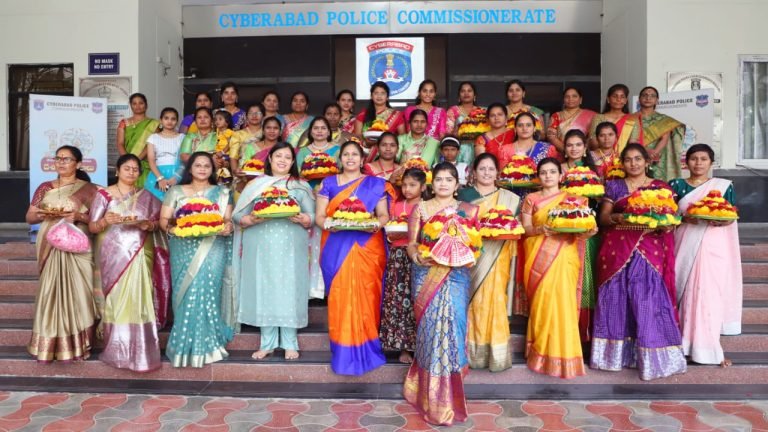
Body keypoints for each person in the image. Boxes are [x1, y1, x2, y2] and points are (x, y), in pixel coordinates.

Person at [591, 143, 687, 381]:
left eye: (638, 159)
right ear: (622, 163)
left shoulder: (661, 188)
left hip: (649, 247)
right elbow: (603, 218)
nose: (633, 163)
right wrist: (619, 217)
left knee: (647, 298)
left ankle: (654, 357)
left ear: (647, 161)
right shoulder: (613, 185)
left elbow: (671, 219)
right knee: (616, 298)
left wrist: (663, 224)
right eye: (628, 160)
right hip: (617, 247)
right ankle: (613, 357)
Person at [404, 162, 479, 426]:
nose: (444, 184)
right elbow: (411, 243)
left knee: (453, 327)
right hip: (426, 274)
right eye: (439, 179)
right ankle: (429, 395)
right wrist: (416, 255)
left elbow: (475, 242)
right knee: (430, 330)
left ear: (457, 184)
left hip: (456, 276)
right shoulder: (421, 208)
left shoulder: (469, 210)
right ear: (431, 183)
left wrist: (465, 254)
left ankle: (450, 395)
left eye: (449, 179)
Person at [316, 141, 393, 375]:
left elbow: (383, 216)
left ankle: (368, 349)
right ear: (340, 159)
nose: (350, 158)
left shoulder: (376, 184)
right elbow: (320, 217)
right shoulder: (328, 183)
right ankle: (343, 353)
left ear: (362, 160)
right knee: (340, 297)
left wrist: (374, 226)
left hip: (368, 245)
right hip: (335, 245)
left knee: (367, 297)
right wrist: (332, 225)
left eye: (354, 155)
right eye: (346, 154)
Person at [88, 154, 171, 372]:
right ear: (117, 171)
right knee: (116, 300)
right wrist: (106, 220)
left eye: (136, 169)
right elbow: (93, 227)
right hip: (112, 253)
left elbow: (159, 223)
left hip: (140, 251)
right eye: (127, 168)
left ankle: (141, 351)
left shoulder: (147, 196)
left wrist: (148, 226)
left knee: (139, 297)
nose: (132, 172)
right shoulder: (104, 195)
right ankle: (117, 350)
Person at [233, 142, 315, 360]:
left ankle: (290, 342)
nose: (282, 160)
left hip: (291, 246)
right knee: (265, 289)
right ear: (269, 159)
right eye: (278, 156)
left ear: (292, 162)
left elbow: (313, 217)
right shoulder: (255, 185)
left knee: (289, 290)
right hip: (261, 247)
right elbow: (237, 215)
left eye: (287, 157)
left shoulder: (300, 185)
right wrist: (248, 218)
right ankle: (267, 343)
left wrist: (305, 219)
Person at [159, 152, 235, 367]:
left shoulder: (222, 192)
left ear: (212, 170)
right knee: (186, 291)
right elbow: (164, 221)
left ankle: (208, 345)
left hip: (213, 247)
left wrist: (227, 227)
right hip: (183, 246)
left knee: (209, 289)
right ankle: (184, 346)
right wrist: (176, 228)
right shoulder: (175, 191)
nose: (202, 169)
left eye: (206, 166)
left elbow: (227, 220)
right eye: (197, 165)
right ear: (189, 169)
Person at [670, 143, 742, 367]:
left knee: (707, 294)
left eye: (703, 159)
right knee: (686, 292)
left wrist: (720, 220)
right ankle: (680, 344)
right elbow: (667, 216)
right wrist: (684, 219)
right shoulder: (676, 185)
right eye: (693, 158)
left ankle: (708, 348)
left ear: (711, 162)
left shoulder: (723, 186)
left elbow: (731, 216)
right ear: (686, 162)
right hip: (684, 242)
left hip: (713, 244)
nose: (698, 163)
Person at [25, 145, 99, 362]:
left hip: (78, 245)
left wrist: (78, 216)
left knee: (79, 292)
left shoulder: (90, 189)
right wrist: (43, 214)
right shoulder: (45, 187)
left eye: (66, 159)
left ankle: (80, 345)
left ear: (77, 164)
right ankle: (49, 346)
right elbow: (29, 217)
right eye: (58, 159)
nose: (61, 163)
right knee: (51, 292)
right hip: (50, 243)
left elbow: (97, 222)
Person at [521, 157, 592, 378]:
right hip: (538, 255)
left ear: (560, 175)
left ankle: (565, 355)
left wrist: (588, 232)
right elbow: (526, 228)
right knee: (542, 303)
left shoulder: (576, 200)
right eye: (544, 172)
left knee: (564, 303)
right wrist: (542, 229)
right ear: (538, 176)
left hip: (565, 255)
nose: (548, 176)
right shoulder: (530, 199)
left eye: (552, 172)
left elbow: (584, 227)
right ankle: (540, 352)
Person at [458, 153, 519, 372]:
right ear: (474, 172)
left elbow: (515, 227)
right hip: (471, 255)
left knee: (495, 299)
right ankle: (470, 353)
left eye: (490, 169)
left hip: (498, 255)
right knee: (473, 302)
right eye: (482, 168)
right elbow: (459, 226)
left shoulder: (510, 199)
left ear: (497, 172)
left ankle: (495, 354)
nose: (486, 173)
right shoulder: (464, 194)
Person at [380, 168, 427, 364]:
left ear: (423, 187)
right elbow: (388, 231)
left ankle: (421, 346)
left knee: (417, 300)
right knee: (399, 302)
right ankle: (402, 347)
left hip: (419, 257)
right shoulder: (396, 205)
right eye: (405, 185)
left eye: (413, 185)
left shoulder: (427, 207)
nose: (407, 189)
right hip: (398, 257)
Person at [561, 130, 601, 341]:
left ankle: (584, 332)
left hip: (586, 231)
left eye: (578, 145)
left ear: (585, 148)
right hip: (561, 232)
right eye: (569, 145)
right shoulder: (556, 171)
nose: (574, 148)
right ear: (564, 148)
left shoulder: (592, 173)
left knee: (585, 277)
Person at [635, 86, 685, 180]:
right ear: (639, 99)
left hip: (657, 157)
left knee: (658, 186)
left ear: (657, 100)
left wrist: (654, 153)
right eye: (645, 95)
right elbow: (630, 139)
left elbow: (664, 139)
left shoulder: (663, 119)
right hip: (636, 154)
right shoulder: (631, 118)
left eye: (652, 96)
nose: (648, 98)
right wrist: (644, 151)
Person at [508, 112, 559, 199]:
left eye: (528, 125)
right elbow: (502, 177)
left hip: (541, 198)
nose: (524, 128)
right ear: (515, 129)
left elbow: (554, 175)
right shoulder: (504, 150)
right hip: (512, 197)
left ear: (534, 128)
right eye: (520, 125)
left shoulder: (547, 149)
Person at [116, 93, 159, 188]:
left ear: (146, 105)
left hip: (145, 163)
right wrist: (127, 160)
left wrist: (137, 160)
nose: (138, 106)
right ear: (130, 105)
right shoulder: (124, 123)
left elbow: (151, 145)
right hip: (126, 163)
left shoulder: (154, 124)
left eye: (141, 103)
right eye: (134, 103)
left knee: (145, 193)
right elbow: (120, 143)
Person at [354, 81, 406, 154]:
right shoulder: (363, 114)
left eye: (382, 93)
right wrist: (367, 143)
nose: (379, 96)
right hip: (366, 155)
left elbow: (402, 138)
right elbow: (357, 136)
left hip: (389, 154)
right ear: (371, 96)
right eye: (376, 93)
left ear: (387, 97)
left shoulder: (396, 115)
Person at [146, 107, 184, 200]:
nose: (169, 121)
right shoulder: (153, 138)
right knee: (157, 204)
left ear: (177, 121)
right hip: (157, 174)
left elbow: (185, 160)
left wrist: (176, 177)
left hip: (177, 174)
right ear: (161, 120)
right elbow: (151, 160)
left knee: (176, 204)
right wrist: (160, 179)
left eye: (173, 119)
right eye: (166, 118)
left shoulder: (182, 137)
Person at [587, 84, 639, 151]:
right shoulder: (598, 118)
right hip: (601, 158)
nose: (618, 99)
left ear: (626, 100)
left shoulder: (632, 119)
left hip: (623, 158)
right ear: (608, 99)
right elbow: (593, 141)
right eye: (615, 96)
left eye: (622, 97)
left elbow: (633, 143)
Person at [547, 87, 597, 153]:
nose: (570, 99)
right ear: (563, 100)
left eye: (574, 96)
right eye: (567, 97)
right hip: (561, 153)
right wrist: (567, 151)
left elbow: (594, 138)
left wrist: (580, 152)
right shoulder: (556, 116)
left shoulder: (592, 115)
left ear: (580, 99)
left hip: (584, 153)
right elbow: (551, 137)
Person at [297, 117, 340, 188]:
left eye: (323, 128)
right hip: (307, 190)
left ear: (329, 132)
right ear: (310, 132)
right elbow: (298, 175)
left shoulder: (338, 150)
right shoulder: (302, 151)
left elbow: (343, 172)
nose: (319, 131)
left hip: (333, 189)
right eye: (316, 128)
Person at [446, 81, 482, 164]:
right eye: (463, 91)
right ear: (459, 96)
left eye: (469, 91)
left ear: (474, 95)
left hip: (477, 148)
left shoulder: (481, 112)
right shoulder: (453, 110)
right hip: (459, 149)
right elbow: (448, 134)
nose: (466, 93)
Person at [475, 103, 515, 169]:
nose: (496, 118)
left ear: (506, 118)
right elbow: (481, 163)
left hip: (514, 172)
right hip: (490, 174)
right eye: (492, 115)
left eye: (500, 114)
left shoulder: (514, 133)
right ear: (488, 120)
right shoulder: (482, 139)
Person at [229, 104, 265, 176]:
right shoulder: (238, 134)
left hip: (264, 172)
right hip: (243, 172)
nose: (254, 116)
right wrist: (235, 171)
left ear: (263, 116)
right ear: (246, 116)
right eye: (251, 113)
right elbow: (233, 157)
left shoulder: (267, 134)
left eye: (258, 113)